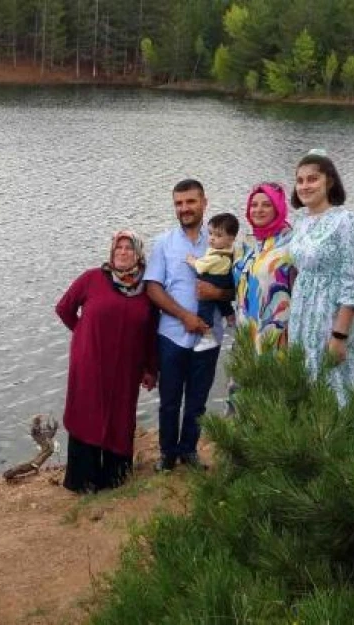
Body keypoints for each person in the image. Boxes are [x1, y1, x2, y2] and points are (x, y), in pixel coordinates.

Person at [55, 231, 159, 493]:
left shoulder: (147, 289)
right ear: (112, 253)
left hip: (126, 366)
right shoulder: (93, 278)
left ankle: (115, 477)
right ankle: (83, 481)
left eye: (129, 248)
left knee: (121, 415)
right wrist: (82, 335)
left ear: (139, 254)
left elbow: (150, 332)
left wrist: (150, 368)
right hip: (89, 362)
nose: (123, 252)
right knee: (86, 413)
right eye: (118, 248)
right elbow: (64, 308)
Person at [287, 150, 354, 405]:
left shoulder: (347, 222)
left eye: (312, 179)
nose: (305, 186)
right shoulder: (301, 222)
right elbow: (302, 267)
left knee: (340, 381)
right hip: (303, 315)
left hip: (331, 316)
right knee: (310, 383)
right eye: (300, 180)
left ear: (329, 181)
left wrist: (339, 335)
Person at [145, 179, 226, 471]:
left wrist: (218, 294)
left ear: (204, 202)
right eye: (179, 203)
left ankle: (189, 450)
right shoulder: (164, 242)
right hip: (172, 335)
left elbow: (234, 287)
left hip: (209, 335)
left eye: (191, 202)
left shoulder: (220, 241)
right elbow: (153, 288)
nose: (185, 208)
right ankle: (167, 453)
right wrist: (184, 316)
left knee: (197, 400)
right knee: (169, 400)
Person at [233, 182, 295, 354]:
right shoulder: (248, 243)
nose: (258, 210)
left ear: (278, 208)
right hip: (245, 332)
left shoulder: (291, 244)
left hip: (276, 336)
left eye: (267, 205)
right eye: (254, 205)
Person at [186, 212, 240, 352]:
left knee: (205, 305)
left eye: (218, 236)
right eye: (210, 234)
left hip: (215, 281)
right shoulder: (230, 251)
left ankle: (208, 335)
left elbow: (201, 266)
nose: (212, 239)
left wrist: (191, 260)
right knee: (223, 303)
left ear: (231, 239)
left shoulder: (216, 256)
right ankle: (231, 319)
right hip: (225, 280)